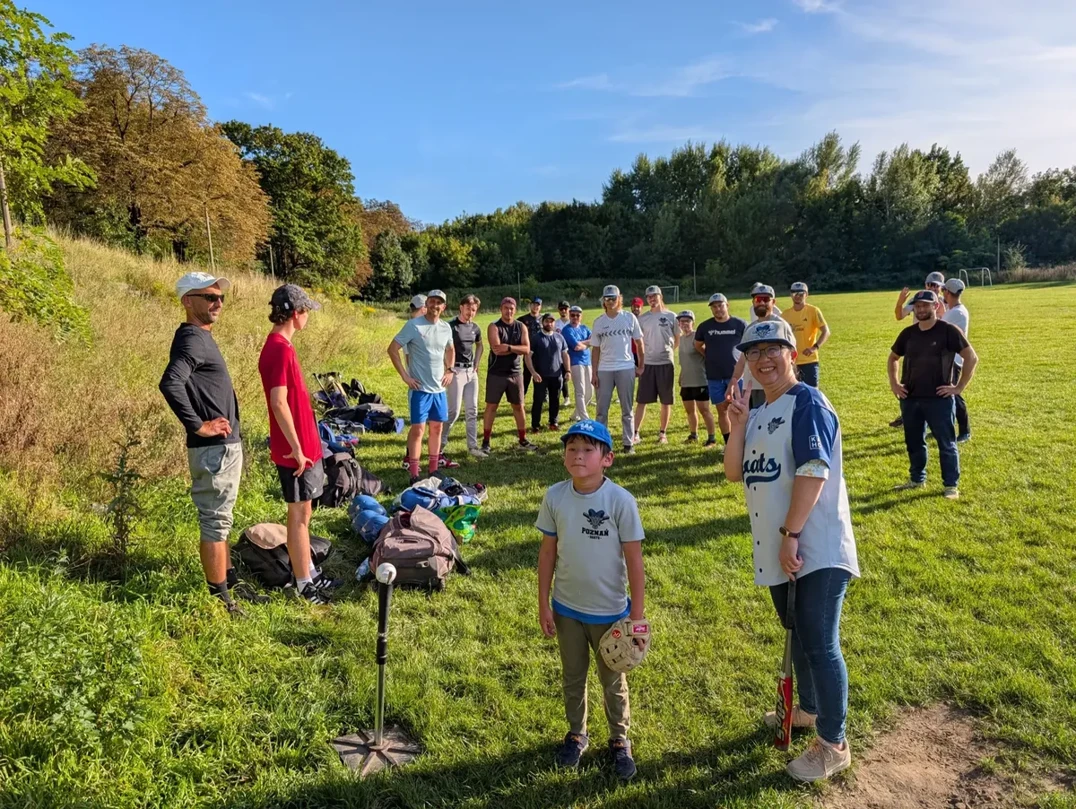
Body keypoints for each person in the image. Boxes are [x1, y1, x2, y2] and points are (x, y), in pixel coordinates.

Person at [723, 318, 859, 784]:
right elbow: (733, 472)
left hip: (812, 546)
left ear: (793, 354)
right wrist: (738, 424)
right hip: (782, 546)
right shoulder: (760, 411)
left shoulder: (808, 403)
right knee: (799, 635)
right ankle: (809, 710)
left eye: (772, 349)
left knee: (820, 642)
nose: (762, 360)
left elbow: (814, 470)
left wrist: (791, 533)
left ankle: (833, 743)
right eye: (753, 352)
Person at [536, 419, 646, 781]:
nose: (578, 456)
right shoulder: (555, 496)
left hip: (610, 614)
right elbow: (548, 554)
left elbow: (634, 561)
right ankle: (576, 734)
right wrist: (544, 603)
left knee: (612, 680)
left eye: (587, 450)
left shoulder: (620, 501)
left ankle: (619, 740)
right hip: (566, 608)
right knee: (573, 676)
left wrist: (637, 618)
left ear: (607, 459)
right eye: (572, 449)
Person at [159, 272, 266, 615]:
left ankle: (229, 581)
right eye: (209, 297)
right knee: (215, 522)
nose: (217, 303)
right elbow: (171, 383)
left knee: (223, 518)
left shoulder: (200, 336)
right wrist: (199, 425)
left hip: (223, 448)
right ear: (187, 301)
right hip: (214, 449)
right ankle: (221, 600)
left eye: (220, 298)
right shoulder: (192, 338)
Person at [258, 284, 335, 604]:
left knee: (304, 514)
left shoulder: (283, 345)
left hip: (304, 447)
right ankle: (304, 582)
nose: (308, 318)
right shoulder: (278, 348)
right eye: (306, 312)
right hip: (295, 452)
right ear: (295, 313)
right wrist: (298, 449)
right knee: (299, 517)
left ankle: (309, 571)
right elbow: (278, 403)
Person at [888, 290, 978, 499]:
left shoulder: (948, 331)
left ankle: (950, 486)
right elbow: (893, 358)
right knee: (914, 441)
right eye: (917, 306)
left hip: (939, 399)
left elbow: (971, 358)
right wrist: (894, 383)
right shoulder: (908, 334)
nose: (920, 309)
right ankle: (917, 478)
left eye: (925, 305)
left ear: (936, 306)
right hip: (910, 398)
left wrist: (958, 388)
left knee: (946, 443)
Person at [388, 290, 456, 485]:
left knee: (437, 428)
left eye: (439, 303)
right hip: (420, 390)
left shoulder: (445, 328)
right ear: (427, 304)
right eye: (432, 302)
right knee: (418, 430)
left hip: (439, 390)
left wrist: (450, 369)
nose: (435, 306)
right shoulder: (413, 326)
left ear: (443, 307)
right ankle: (415, 474)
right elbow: (392, 349)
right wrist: (405, 376)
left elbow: (451, 349)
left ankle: (433, 470)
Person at [482, 297, 539, 453]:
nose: (509, 311)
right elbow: (496, 349)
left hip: (515, 373)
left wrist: (507, 346)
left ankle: (522, 439)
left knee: (519, 406)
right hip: (496, 373)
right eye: (506, 308)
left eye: (511, 308)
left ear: (515, 310)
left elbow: (527, 349)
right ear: (501, 309)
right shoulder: (494, 326)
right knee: (491, 407)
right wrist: (516, 348)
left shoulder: (521, 327)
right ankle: (486, 441)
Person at [592, 285, 644, 455]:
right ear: (603, 301)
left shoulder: (629, 318)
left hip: (626, 367)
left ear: (619, 299)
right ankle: (601, 443)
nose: (610, 301)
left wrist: (641, 364)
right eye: (607, 299)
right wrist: (594, 372)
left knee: (627, 409)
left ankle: (628, 444)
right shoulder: (599, 322)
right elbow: (596, 350)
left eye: (613, 298)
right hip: (604, 369)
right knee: (601, 410)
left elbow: (639, 343)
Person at [889, 273, 946, 429]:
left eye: (936, 285)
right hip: (915, 347)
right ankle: (907, 415)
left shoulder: (943, 303)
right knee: (910, 384)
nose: (932, 288)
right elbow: (899, 315)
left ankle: (937, 420)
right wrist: (900, 301)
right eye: (929, 284)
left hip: (936, 350)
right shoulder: (918, 299)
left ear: (942, 287)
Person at [694, 293, 747, 449]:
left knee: (740, 410)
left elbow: (748, 348)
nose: (718, 309)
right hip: (714, 376)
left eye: (720, 305)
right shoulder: (705, 327)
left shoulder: (740, 324)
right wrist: (709, 355)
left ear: (727, 305)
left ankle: (743, 443)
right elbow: (698, 345)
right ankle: (729, 443)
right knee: (722, 409)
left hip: (737, 376)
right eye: (714, 307)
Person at [441, 293, 486, 459]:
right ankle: (439, 447)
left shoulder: (475, 328)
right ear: (461, 307)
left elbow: (480, 345)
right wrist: (448, 368)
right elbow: (443, 349)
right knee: (453, 412)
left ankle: (473, 446)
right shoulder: (450, 326)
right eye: (468, 308)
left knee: (472, 411)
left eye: (474, 310)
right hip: (456, 372)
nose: (470, 312)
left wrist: (477, 362)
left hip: (470, 373)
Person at [633, 285, 679, 445]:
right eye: (649, 297)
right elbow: (638, 342)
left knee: (666, 401)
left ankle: (662, 433)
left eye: (654, 296)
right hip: (648, 364)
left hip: (666, 363)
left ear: (660, 296)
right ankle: (635, 432)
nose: (652, 299)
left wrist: (667, 352)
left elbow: (677, 339)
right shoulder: (642, 319)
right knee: (642, 400)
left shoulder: (672, 316)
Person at [735, 284, 782, 410]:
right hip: (750, 386)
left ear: (773, 302)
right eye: (758, 299)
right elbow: (742, 360)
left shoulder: (780, 326)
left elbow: (791, 357)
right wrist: (733, 383)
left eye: (766, 299)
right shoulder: (750, 329)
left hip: (773, 386)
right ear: (753, 302)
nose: (761, 302)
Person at [675, 310, 715, 445]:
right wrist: (681, 375)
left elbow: (708, 357)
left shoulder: (698, 338)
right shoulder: (681, 339)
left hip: (700, 380)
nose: (684, 324)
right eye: (681, 321)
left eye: (687, 321)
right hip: (686, 381)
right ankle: (693, 435)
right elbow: (684, 361)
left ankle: (711, 437)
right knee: (689, 410)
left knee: (704, 410)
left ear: (693, 322)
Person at [782, 282, 829, 388]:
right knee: (792, 392)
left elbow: (826, 331)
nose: (797, 296)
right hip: (791, 361)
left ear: (807, 295)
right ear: (790, 295)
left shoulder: (813, 311)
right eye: (794, 294)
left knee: (812, 392)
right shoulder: (785, 315)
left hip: (809, 360)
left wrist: (814, 347)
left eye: (801, 294)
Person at [941, 279, 971, 442]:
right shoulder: (955, 310)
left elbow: (938, 328)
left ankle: (965, 430)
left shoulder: (955, 313)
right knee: (948, 394)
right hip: (950, 359)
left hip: (953, 360)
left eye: (943, 290)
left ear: (947, 292)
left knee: (954, 394)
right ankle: (946, 427)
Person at [531, 313, 571, 432]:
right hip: (540, 376)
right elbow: (528, 356)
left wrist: (568, 370)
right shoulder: (536, 338)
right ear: (542, 322)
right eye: (547, 321)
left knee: (555, 400)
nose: (549, 324)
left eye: (552, 321)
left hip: (556, 375)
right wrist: (533, 372)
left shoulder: (559, 337)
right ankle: (535, 425)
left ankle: (553, 422)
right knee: (538, 401)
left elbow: (565, 354)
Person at [562, 305, 594, 422]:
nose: (575, 317)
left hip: (588, 361)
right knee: (580, 391)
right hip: (575, 362)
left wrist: (583, 343)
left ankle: (575, 414)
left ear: (581, 316)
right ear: (569, 315)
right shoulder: (567, 330)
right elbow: (576, 346)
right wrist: (588, 343)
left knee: (590, 392)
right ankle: (585, 418)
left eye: (577, 315)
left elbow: (595, 340)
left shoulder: (585, 328)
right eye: (572, 315)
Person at [519, 297, 543, 396]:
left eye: (538, 305)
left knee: (541, 372)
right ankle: (521, 395)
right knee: (527, 374)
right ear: (530, 305)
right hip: (528, 350)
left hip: (541, 351)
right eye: (533, 304)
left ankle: (543, 395)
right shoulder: (522, 319)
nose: (535, 306)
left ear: (540, 307)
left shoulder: (544, 319)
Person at [554, 300, 572, 405]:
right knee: (563, 374)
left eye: (565, 308)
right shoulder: (555, 324)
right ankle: (566, 397)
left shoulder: (573, 321)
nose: (564, 311)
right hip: (561, 352)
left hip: (573, 351)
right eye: (561, 309)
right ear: (558, 310)